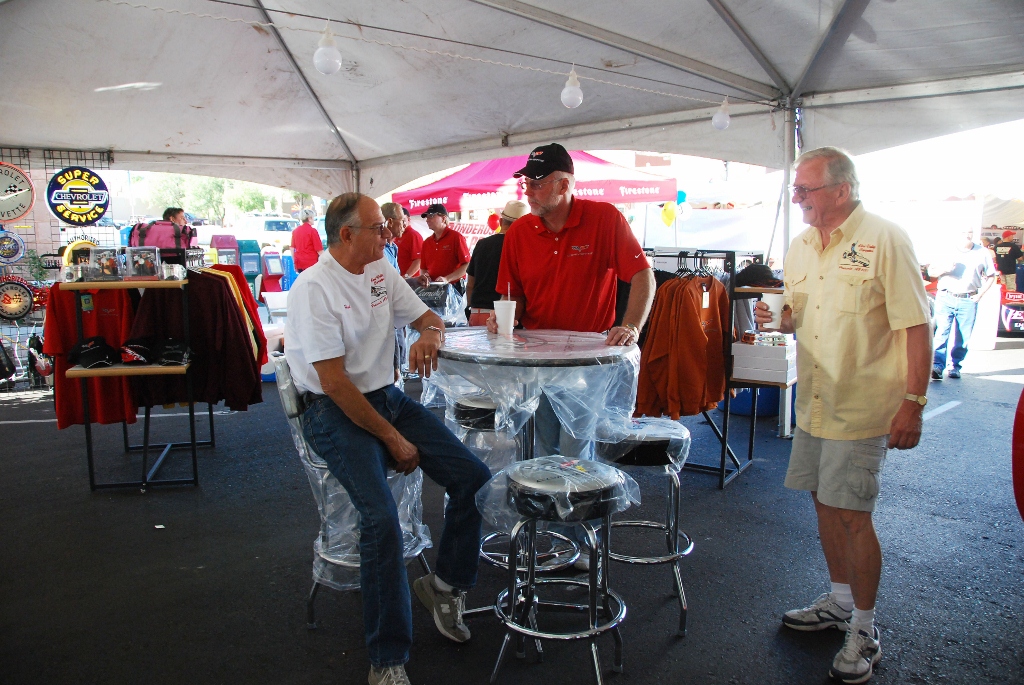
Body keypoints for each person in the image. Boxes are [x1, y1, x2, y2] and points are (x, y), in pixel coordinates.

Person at [285, 192, 491, 685]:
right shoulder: (314, 288)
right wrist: (394, 440)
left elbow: (429, 318)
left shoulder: (381, 269)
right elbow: (333, 384)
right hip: (333, 410)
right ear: (347, 234)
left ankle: (444, 586)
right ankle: (387, 657)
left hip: (385, 396)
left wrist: (429, 335)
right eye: (380, 227)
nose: (391, 233)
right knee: (381, 519)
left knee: (473, 477)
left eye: (389, 225)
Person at [753, 147, 931, 684]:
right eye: (796, 190)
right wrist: (779, 317)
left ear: (841, 190)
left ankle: (866, 627)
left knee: (852, 513)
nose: (797, 198)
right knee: (824, 503)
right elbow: (797, 317)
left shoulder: (885, 239)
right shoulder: (803, 246)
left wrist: (913, 403)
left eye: (805, 189)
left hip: (864, 405)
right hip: (815, 401)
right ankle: (838, 601)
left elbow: (915, 327)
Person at [489, 142, 656, 568]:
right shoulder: (521, 232)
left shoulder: (604, 219)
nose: (528, 191)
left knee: (574, 447)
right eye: (525, 182)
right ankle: (555, 533)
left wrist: (631, 325)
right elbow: (513, 295)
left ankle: (578, 538)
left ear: (564, 184)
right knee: (545, 446)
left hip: (586, 363)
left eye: (537, 183)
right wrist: (501, 318)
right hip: (536, 359)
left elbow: (643, 275)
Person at [928, 230, 997, 380]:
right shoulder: (946, 251)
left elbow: (992, 276)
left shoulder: (982, 252)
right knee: (941, 333)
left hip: (967, 298)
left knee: (963, 337)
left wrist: (980, 294)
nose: (967, 234)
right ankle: (937, 366)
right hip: (946, 296)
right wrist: (945, 269)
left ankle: (955, 366)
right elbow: (931, 271)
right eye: (963, 231)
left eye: (970, 232)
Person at [465, 200, 528, 326]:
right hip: (505, 316)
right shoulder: (521, 247)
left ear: (500, 222)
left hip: (477, 312)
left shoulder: (482, 244)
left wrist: (470, 307)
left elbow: (470, 284)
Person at [417, 204, 470, 289]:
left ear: (444, 218)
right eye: (426, 217)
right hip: (432, 287)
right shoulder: (427, 242)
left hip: (454, 287)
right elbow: (423, 268)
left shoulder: (456, 237)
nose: (427, 220)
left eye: (431, 216)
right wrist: (425, 277)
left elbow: (467, 265)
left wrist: (447, 279)